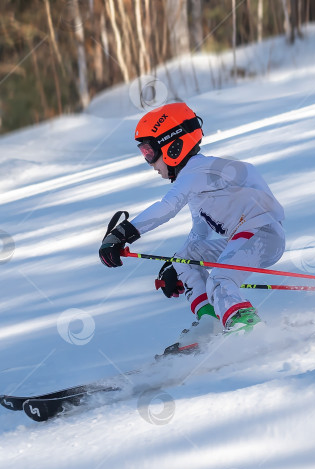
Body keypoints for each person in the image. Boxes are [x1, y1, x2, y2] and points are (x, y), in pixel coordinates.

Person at [99, 102, 286, 353]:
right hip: (244, 238)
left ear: (172, 145)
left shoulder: (198, 171)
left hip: (262, 235)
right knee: (186, 257)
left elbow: (167, 207)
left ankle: (247, 327)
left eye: (149, 152)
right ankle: (211, 321)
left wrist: (122, 234)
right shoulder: (199, 180)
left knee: (220, 279)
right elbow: (200, 232)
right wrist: (177, 266)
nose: (150, 163)